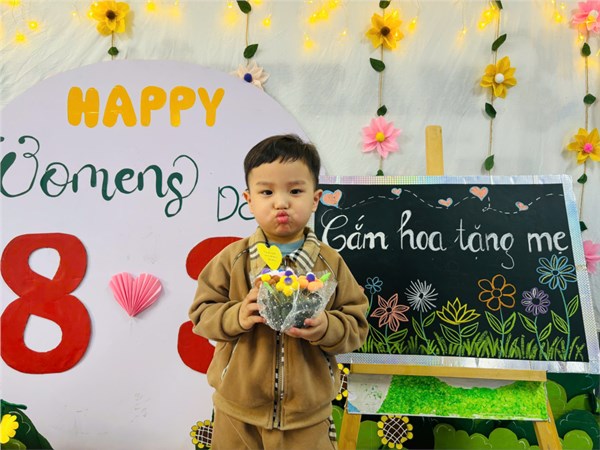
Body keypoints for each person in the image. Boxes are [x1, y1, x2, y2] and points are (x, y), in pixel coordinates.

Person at [189, 134, 369, 450]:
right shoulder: (233, 260)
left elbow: (356, 326)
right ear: (249, 199)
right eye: (267, 192)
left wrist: (326, 327)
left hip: (308, 417)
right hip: (237, 413)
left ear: (315, 199)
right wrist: (237, 315)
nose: (281, 202)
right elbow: (202, 315)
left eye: (295, 191)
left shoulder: (330, 263)